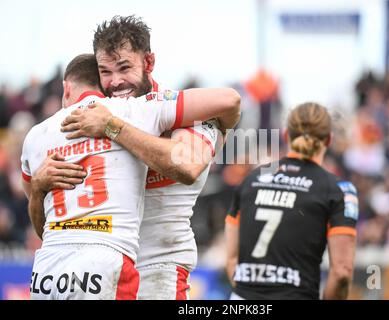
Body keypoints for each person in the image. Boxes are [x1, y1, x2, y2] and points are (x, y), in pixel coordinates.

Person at [21, 53, 240, 299]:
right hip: (106, 261)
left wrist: (112, 127)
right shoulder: (120, 114)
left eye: (123, 68)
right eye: (107, 73)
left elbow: (188, 165)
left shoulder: (39, 135)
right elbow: (45, 229)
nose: (116, 81)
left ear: (147, 63)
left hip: (150, 268)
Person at [225, 102, 358, 300]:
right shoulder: (339, 190)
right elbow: (342, 272)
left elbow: (231, 259)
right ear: (329, 140)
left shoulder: (252, 179)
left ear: (286, 135)